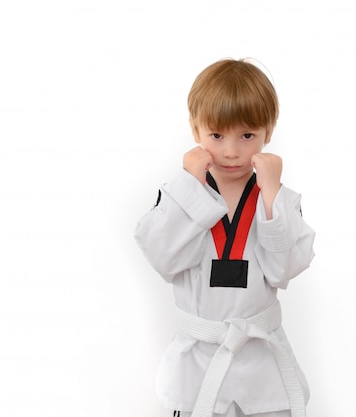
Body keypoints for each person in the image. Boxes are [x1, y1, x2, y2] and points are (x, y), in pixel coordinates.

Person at [134, 58, 315, 417]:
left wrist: (270, 195)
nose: (232, 151)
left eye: (247, 136)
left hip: (261, 363)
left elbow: (282, 272)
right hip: (198, 361)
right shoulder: (177, 195)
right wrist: (189, 186)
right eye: (217, 135)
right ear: (195, 129)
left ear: (268, 131)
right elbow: (163, 260)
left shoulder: (282, 200)